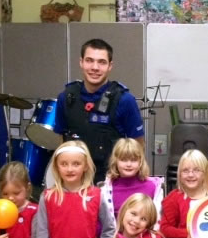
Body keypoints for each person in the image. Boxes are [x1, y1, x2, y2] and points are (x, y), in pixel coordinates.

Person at [58, 38, 145, 184]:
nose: (95, 67)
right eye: (89, 60)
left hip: (112, 182)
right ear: (81, 62)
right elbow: (61, 141)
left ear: (110, 66)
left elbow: (138, 146)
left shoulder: (124, 100)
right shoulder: (66, 97)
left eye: (102, 62)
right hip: (76, 182)